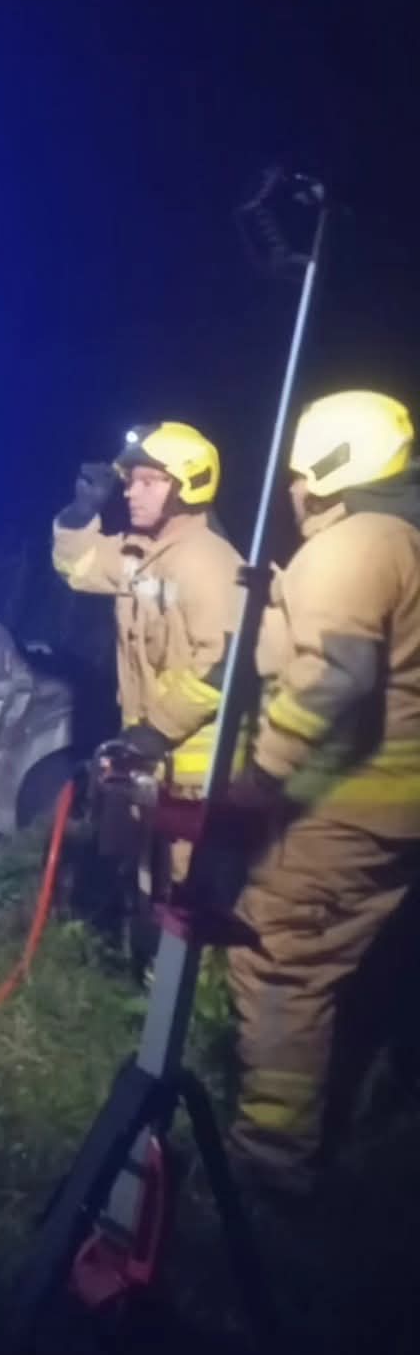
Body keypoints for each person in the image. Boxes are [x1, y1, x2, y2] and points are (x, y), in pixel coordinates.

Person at [224, 389, 420, 1196]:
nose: (291, 490)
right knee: (357, 972)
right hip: (393, 811)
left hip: (342, 806)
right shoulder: (401, 539)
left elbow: (336, 676)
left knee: (282, 964)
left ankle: (269, 1163)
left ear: (329, 471)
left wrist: (261, 776)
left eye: (300, 474)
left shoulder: (354, 547)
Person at [53, 424, 244, 926]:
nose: (131, 492)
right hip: (152, 753)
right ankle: (143, 975)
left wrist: (157, 728)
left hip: (199, 765)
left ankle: (187, 990)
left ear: (187, 486)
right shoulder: (142, 555)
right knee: (147, 879)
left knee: (190, 887)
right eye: (130, 481)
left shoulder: (208, 562)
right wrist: (81, 512)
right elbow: (79, 568)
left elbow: (224, 664)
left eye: (148, 481)